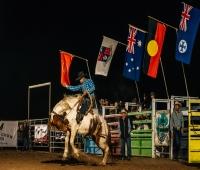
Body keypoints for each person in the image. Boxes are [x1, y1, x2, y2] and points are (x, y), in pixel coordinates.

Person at [64, 71, 101, 135]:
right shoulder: (82, 85)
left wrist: (87, 92)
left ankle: (81, 118)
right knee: (81, 105)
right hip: (86, 99)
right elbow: (75, 88)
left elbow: (93, 87)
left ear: (83, 78)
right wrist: (67, 86)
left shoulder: (89, 81)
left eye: (80, 79)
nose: (79, 81)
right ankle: (82, 122)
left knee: (86, 106)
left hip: (91, 98)